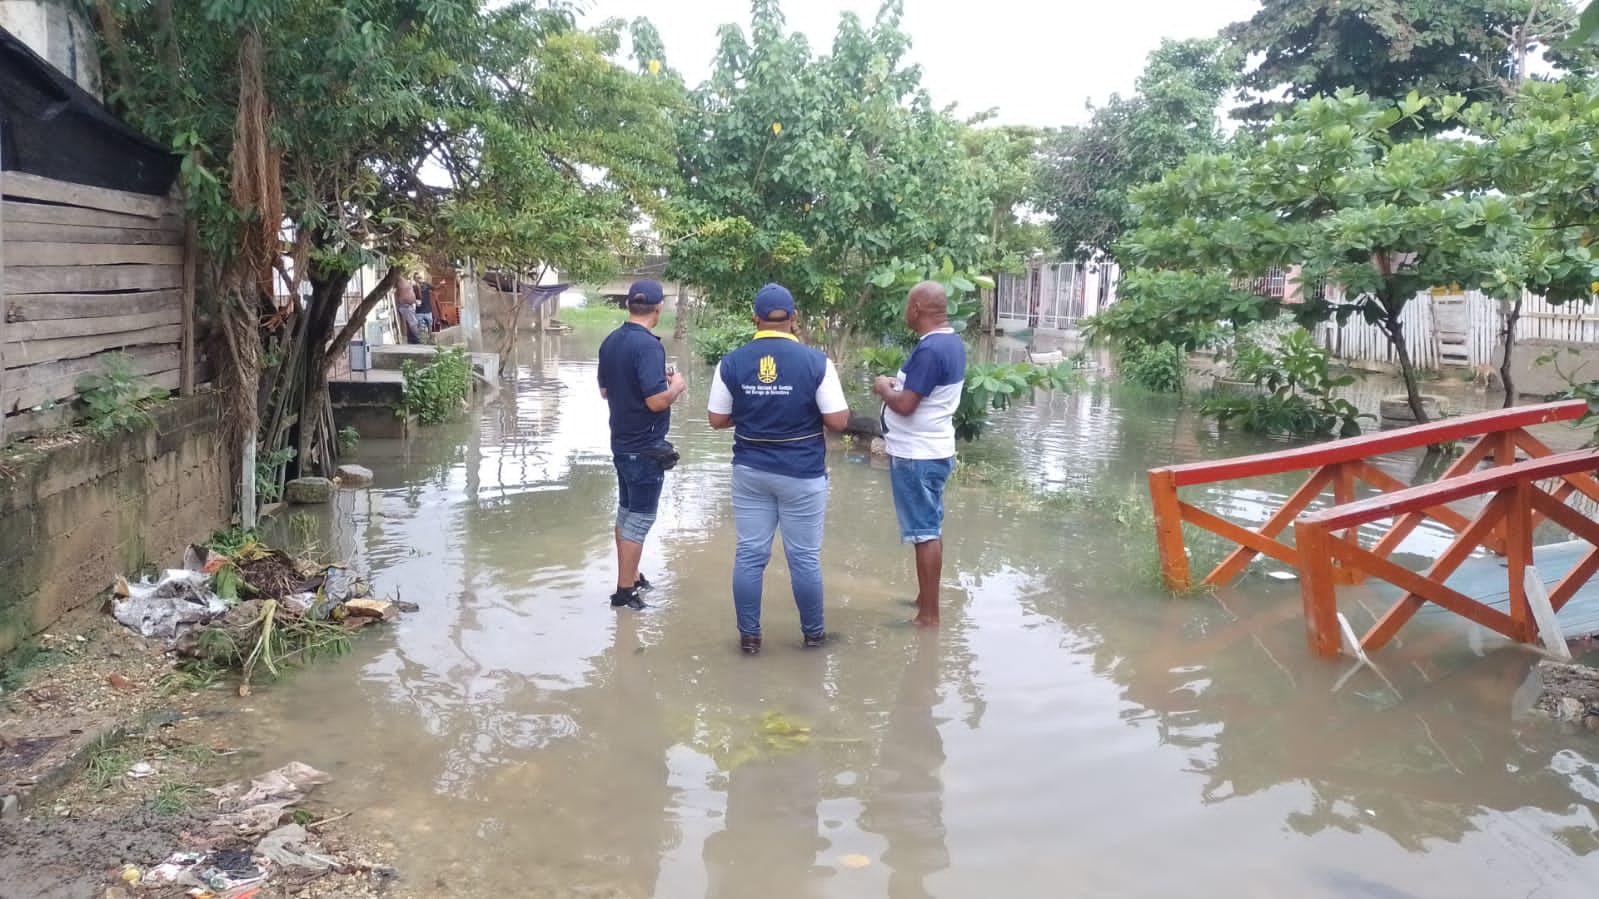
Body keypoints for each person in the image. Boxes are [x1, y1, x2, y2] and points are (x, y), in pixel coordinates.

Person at [707, 283, 850, 655]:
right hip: (802, 474)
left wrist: (755, 412)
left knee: (750, 555)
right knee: (803, 558)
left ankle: (750, 638)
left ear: (755, 319)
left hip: (750, 472)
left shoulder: (732, 362)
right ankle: (813, 636)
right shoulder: (817, 362)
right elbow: (836, 421)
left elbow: (717, 419)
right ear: (793, 318)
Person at [873, 281, 966, 627]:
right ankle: (924, 599)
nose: (904, 312)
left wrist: (884, 387)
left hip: (918, 454)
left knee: (924, 530)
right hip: (932, 448)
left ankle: (928, 615)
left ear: (916, 309)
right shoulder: (950, 343)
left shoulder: (930, 351)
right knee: (929, 526)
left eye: (906, 305)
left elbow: (907, 405)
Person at [597, 279, 687, 610]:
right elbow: (655, 402)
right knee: (640, 519)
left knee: (626, 513)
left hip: (621, 443)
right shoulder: (648, 346)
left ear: (628, 306)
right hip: (645, 446)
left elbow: (606, 391)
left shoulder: (611, 342)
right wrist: (675, 386)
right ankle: (624, 591)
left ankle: (632, 577)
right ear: (659, 308)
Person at [394, 275, 423, 344]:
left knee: (412, 323)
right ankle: (419, 339)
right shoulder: (398, 281)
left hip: (409, 305)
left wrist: (415, 301)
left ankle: (414, 338)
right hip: (405, 306)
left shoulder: (404, 281)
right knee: (413, 323)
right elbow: (395, 292)